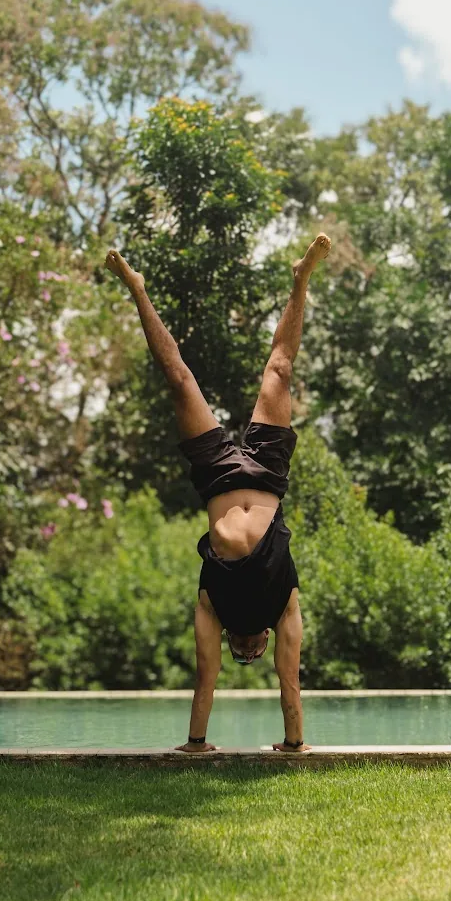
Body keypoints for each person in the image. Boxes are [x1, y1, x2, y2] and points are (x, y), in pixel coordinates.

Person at [105, 233, 331, 753]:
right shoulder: (285, 608)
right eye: (256, 656)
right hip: (269, 475)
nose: (250, 653)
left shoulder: (213, 607)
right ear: (266, 643)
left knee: (179, 378)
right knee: (280, 368)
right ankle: (301, 279)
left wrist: (196, 744)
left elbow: (205, 679)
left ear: (235, 643)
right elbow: (290, 683)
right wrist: (294, 747)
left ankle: (137, 289)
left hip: (216, 478)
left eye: (243, 656)